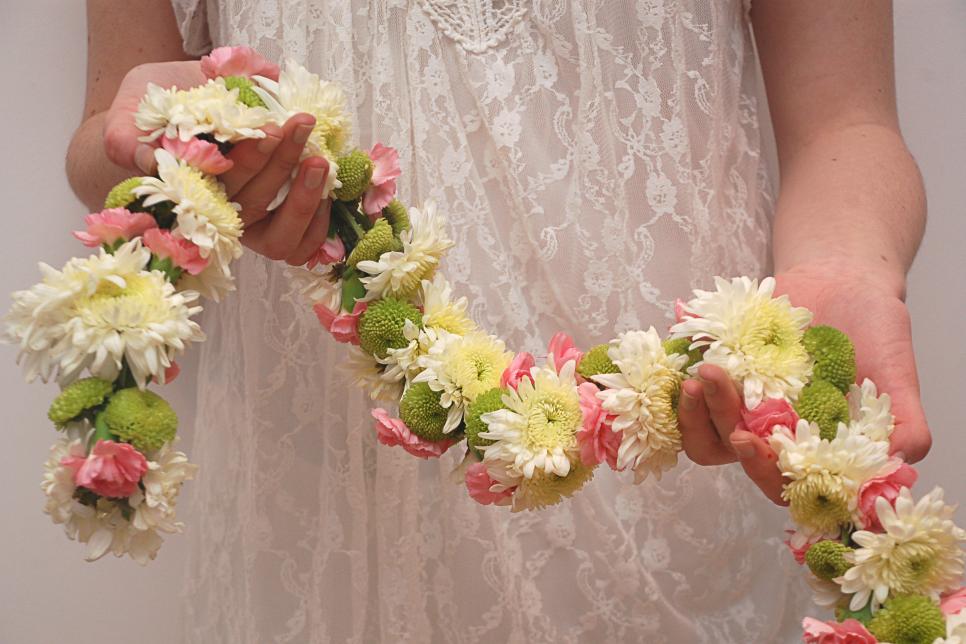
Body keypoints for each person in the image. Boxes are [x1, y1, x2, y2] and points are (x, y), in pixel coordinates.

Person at [67, 1, 930, 641]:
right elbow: (102, 122)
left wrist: (849, 263)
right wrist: (161, 124)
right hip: (321, 474)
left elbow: (845, 118)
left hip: (681, 453)